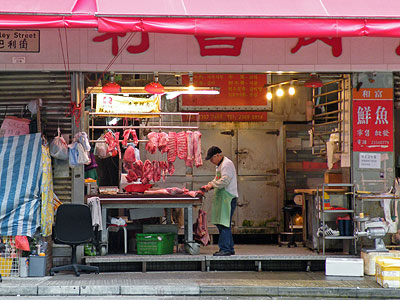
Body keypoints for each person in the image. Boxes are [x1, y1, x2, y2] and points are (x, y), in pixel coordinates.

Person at [201, 146, 238, 256]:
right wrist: (209, 185)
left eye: (212, 159)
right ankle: (229, 248)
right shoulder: (220, 165)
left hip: (227, 197)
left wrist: (211, 185)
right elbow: (218, 179)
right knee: (221, 224)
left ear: (217, 155)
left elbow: (225, 181)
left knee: (224, 224)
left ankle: (225, 249)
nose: (211, 162)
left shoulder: (226, 164)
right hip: (223, 198)